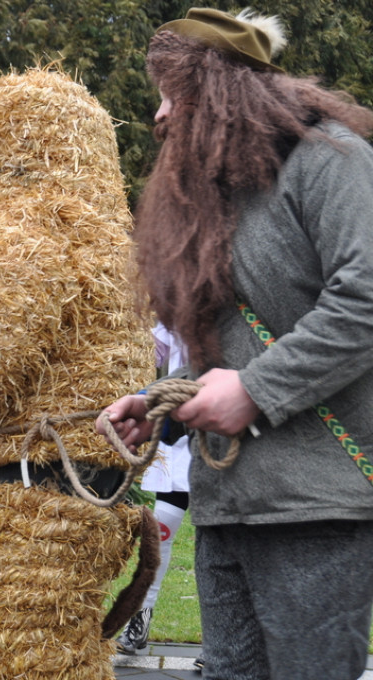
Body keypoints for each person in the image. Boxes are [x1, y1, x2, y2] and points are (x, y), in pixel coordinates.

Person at [96, 8, 373, 679]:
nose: (159, 116)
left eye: (171, 95)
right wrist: (155, 406)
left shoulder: (330, 160)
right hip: (227, 502)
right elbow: (228, 350)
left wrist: (256, 390)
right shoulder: (212, 199)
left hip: (317, 505)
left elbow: (366, 296)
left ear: (220, 91)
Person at [115, 324, 197, 669]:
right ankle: (140, 620)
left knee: (221, 542)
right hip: (178, 428)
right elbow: (152, 349)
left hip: (226, 423)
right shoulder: (178, 289)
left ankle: (224, 639)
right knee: (160, 530)